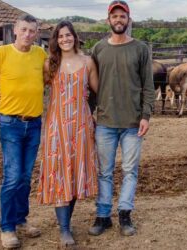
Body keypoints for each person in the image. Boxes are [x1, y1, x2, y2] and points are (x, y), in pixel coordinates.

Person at [88, 0, 155, 237]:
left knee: (130, 171)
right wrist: (89, 114)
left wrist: (146, 115)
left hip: (133, 123)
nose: (118, 20)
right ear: (108, 20)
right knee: (104, 171)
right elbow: (93, 87)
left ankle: (125, 214)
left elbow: (148, 85)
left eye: (122, 16)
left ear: (128, 20)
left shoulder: (140, 49)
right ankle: (103, 215)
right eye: (114, 16)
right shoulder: (98, 49)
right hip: (105, 121)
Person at [36, 21, 99, 246]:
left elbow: (97, 91)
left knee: (74, 175)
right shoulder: (49, 64)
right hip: (57, 127)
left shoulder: (87, 62)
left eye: (68, 35)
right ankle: (64, 230)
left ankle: (66, 223)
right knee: (59, 175)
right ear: (56, 40)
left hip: (82, 126)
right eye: (60, 36)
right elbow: (35, 87)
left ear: (75, 37)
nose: (65, 39)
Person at [0, 14, 47, 249]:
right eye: (23, 29)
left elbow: (48, 80)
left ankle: (21, 219)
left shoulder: (40, 54)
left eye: (32, 31)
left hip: (34, 123)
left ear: (37, 33)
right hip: (10, 123)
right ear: (15, 30)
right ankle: (6, 227)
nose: (27, 34)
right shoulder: (0, 54)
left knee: (25, 177)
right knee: (13, 176)